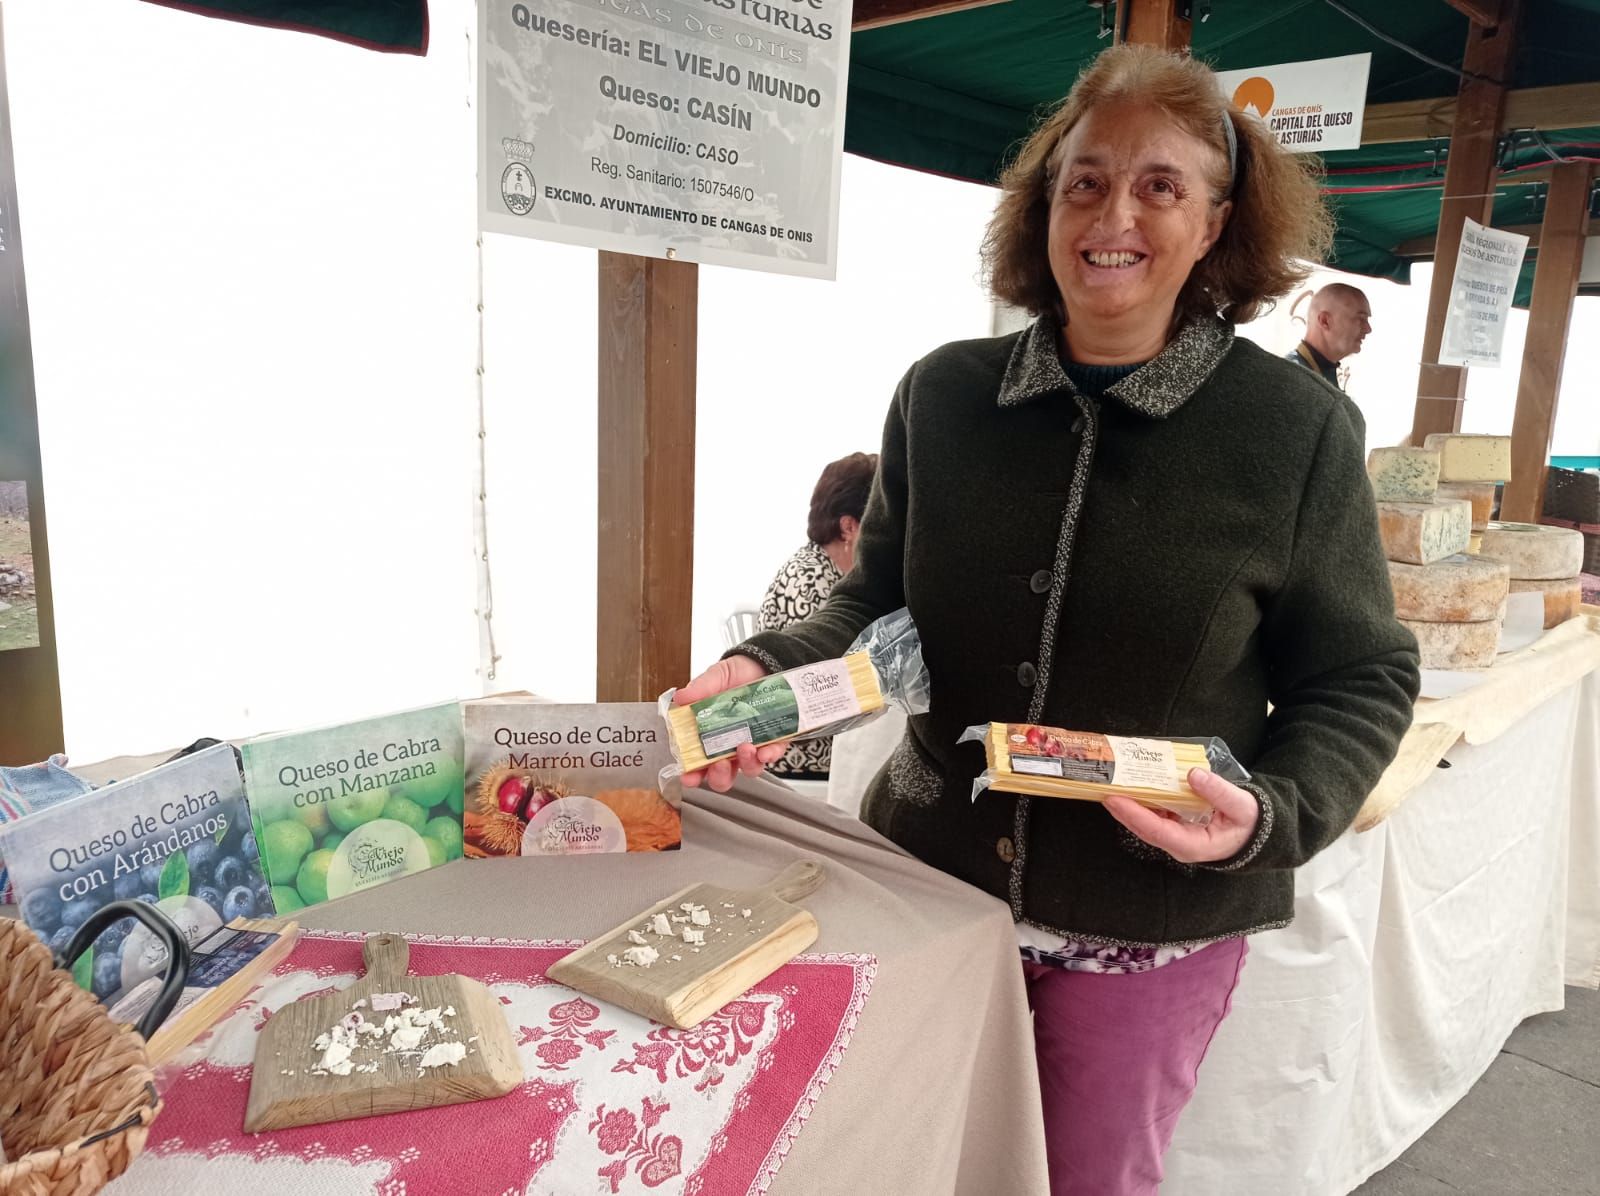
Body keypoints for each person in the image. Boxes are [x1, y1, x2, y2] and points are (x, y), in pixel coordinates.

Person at [674, 43, 1419, 1196]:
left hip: (1148, 916)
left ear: (1217, 223)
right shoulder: (943, 394)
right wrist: (764, 668)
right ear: (1043, 203)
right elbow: (877, 605)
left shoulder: (1292, 431)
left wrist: (1274, 812)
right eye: (1085, 179)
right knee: (903, 1160)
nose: (1113, 212)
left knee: (1083, 1180)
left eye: (1160, 185)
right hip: (933, 887)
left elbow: (1358, 673)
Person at [757, 451, 878, 780]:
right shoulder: (810, 581)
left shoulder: (825, 569)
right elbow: (818, 694)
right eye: (880, 523)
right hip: (802, 755)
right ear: (849, 526)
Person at [1287, 282, 1371, 388]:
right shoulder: (1293, 378)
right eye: (1361, 319)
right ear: (1325, 321)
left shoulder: (1319, 372)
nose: (1368, 329)